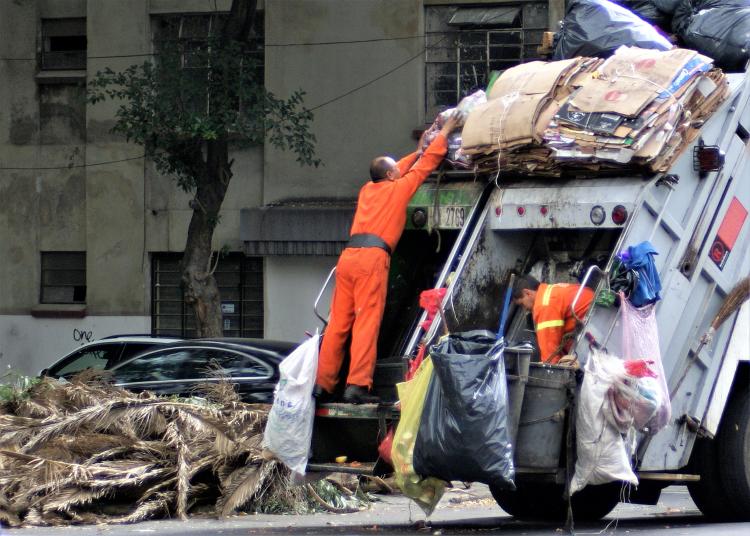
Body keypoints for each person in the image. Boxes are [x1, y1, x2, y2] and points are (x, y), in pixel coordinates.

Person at [315, 113, 461, 404]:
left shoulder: (368, 190)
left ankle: (323, 384)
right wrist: (445, 131)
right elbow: (427, 165)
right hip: (372, 260)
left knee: (338, 325)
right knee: (366, 322)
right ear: (393, 175)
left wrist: (417, 151)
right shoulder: (398, 189)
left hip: (347, 259)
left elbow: (404, 166)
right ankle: (357, 386)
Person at [512, 274, 595, 364]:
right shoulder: (550, 290)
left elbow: (550, 357)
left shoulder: (544, 306)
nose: (524, 309)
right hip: (597, 315)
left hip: (594, 330)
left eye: (522, 304)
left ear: (527, 293)